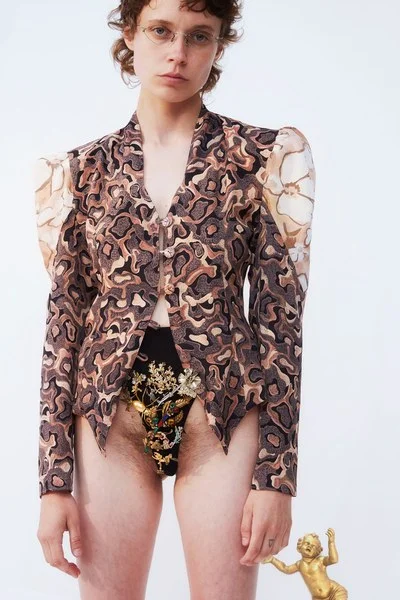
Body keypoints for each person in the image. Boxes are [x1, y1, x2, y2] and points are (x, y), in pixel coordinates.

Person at [34, 1, 316, 598]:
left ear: (219, 45)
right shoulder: (79, 172)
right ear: (131, 33)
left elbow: (280, 323)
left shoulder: (260, 157)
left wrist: (277, 477)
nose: (178, 53)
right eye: (161, 31)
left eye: (199, 36)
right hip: (110, 417)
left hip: (224, 413)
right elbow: (63, 327)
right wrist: (53, 483)